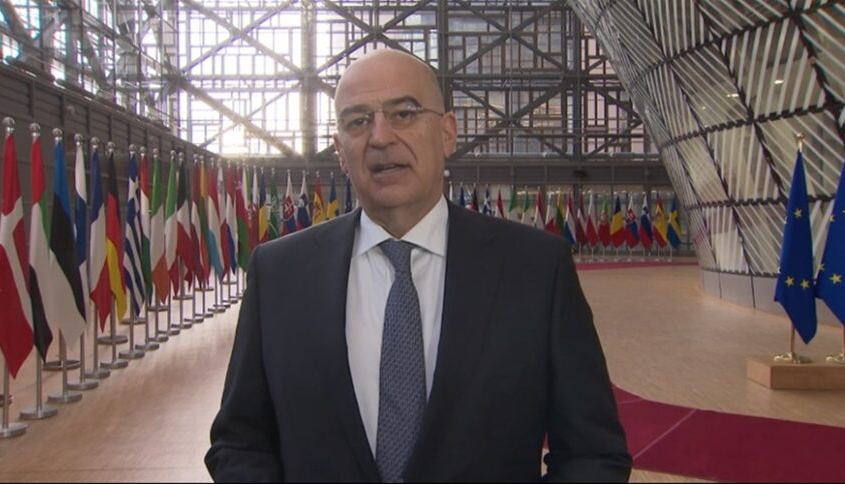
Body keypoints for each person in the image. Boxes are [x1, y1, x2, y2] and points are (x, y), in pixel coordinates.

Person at [205, 48, 631, 482]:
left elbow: (593, 454)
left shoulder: (537, 271)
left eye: (403, 114)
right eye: (358, 121)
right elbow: (239, 443)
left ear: (447, 133)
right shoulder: (280, 274)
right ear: (340, 151)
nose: (380, 137)